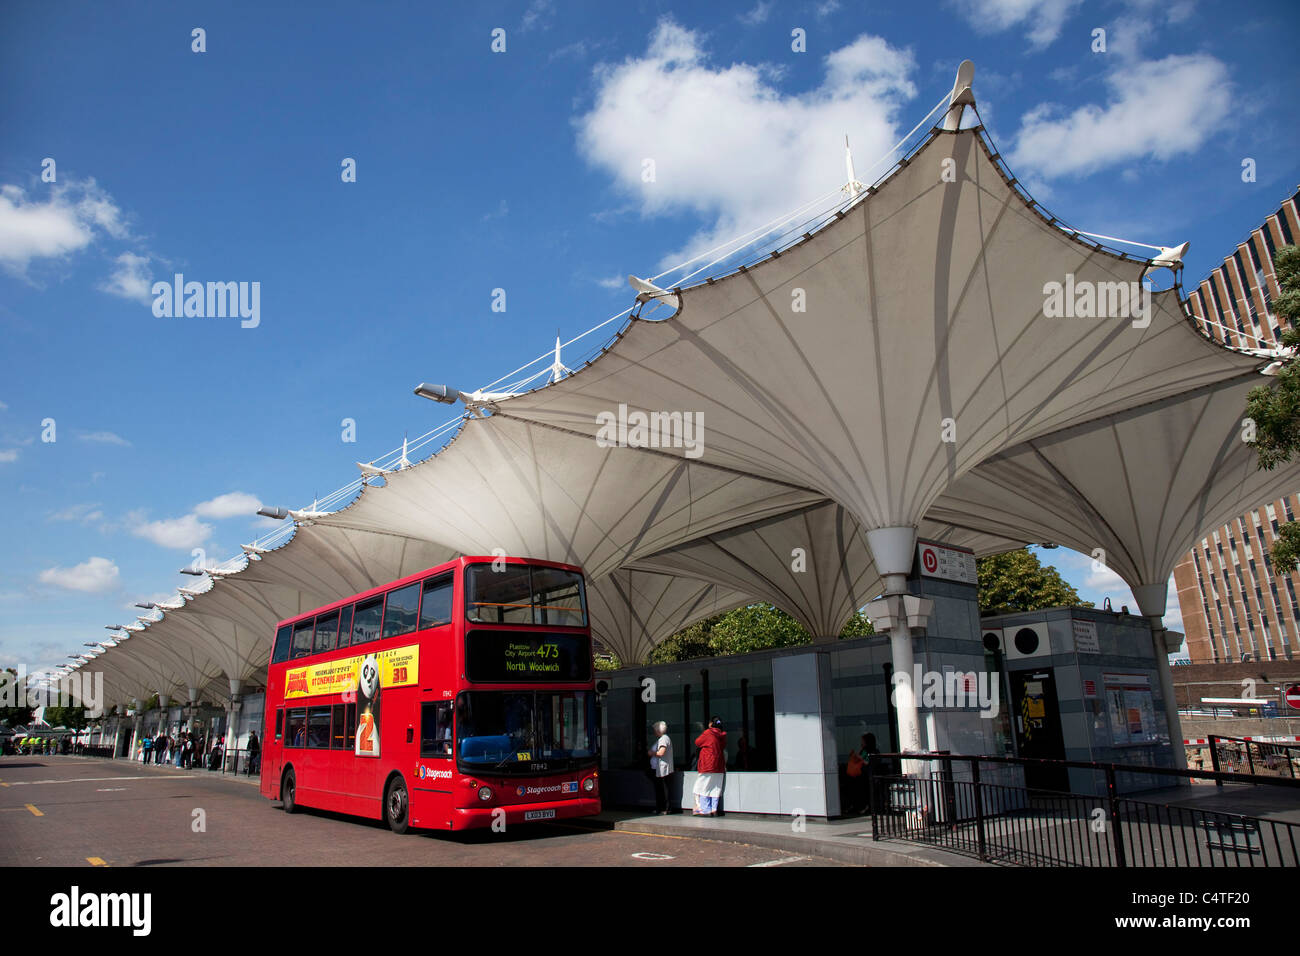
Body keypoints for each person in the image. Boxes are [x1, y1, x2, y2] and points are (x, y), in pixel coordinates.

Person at [693, 717, 727, 816]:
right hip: (719, 765)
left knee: (701, 787)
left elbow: (697, 742)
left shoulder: (708, 733)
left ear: (711, 723)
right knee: (715, 788)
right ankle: (713, 809)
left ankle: (704, 810)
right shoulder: (722, 735)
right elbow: (723, 746)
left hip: (707, 764)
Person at [647, 721, 674, 814]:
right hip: (659, 769)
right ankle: (661, 808)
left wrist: (651, 753)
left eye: (654, 730)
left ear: (658, 730)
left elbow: (661, 753)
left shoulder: (663, 739)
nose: (654, 732)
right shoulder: (662, 739)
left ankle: (665, 808)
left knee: (662, 789)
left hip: (663, 770)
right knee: (660, 789)